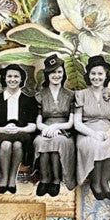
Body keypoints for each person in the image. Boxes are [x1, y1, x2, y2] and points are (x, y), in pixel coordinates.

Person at [74, 55, 110, 200]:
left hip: (106, 130)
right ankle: (95, 183)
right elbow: (77, 123)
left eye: (100, 74)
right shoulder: (81, 95)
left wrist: (108, 133)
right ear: (88, 75)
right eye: (93, 73)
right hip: (86, 131)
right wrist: (93, 134)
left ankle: (104, 181)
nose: (96, 77)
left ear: (106, 75)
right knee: (94, 145)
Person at [0, 64, 37, 194]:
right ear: (4, 78)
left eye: (16, 76)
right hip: (2, 133)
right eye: (9, 76)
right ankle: (4, 177)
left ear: (21, 79)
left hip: (22, 134)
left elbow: (33, 126)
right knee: (6, 145)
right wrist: (5, 130)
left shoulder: (29, 101)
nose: (12, 79)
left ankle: (12, 178)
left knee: (18, 145)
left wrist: (19, 129)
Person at [34, 54, 76, 197]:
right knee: (40, 142)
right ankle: (44, 179)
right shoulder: (40, 95)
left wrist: (56, 127)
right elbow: (38, 122)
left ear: (63, 73)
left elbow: (71, 122)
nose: (56, 75)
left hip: (64, 131)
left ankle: (56, 180)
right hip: (45, 130)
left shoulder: (71, 95)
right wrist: (47, 129)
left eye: (59, 71)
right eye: (52, 72)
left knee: (58, 142)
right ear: (47, 74)